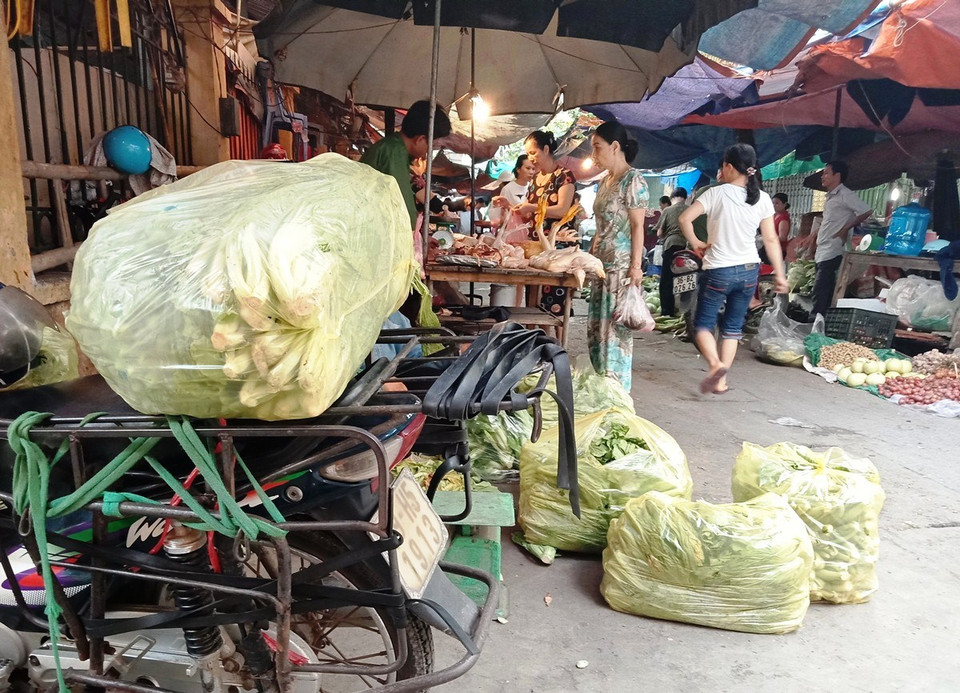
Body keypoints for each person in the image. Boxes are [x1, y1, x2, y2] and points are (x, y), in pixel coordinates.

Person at [678, 143, 788, 395]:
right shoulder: (761, 198)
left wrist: (695, 243)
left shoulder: (715, 193)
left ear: (728, 166)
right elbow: (771, 239)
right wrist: (780, 274)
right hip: (750, 270)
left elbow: (685, 219)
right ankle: (721, 381)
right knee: (732, 328)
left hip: (719, 269)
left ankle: (716, 365)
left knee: (703, 325)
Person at [586, 120, 649, 391]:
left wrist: (636, 268)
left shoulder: (634, 180)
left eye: (597, 148)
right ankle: (601, 385)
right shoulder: (604, 182)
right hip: (600, 267)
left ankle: (616, 392)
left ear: (615, 146)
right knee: (596, 331)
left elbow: (637, 226)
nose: (594, 155)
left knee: (614, 334)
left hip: (621, 269)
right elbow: (601, 225)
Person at [360, 100, 451, 230]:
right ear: (420, 139)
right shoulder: (394, 152)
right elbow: (402, 206)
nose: (428, 152)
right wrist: (415, 237)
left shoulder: (396, 149)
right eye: (431, 145)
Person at [515, 130, 577, 318]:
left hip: (558, 246)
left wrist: (531, 207)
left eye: (533, 153)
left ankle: (555, 345)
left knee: (554, 305)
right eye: (528, 154)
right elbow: (532, 216)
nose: (531, 158)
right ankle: (535, 340)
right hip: (536, 247)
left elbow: (562, 210)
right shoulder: (534, 179)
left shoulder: (564, 176)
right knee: (533, 301)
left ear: (547, 149)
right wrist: (516, 209)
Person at [812, 161, 873, 317]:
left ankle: (816, 320)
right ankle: (820, 319)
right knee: (822, 288)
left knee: (821, 289)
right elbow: (828, 221)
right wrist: (812, 237)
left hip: (833, 248)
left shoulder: (845, 194)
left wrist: (846, 228)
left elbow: (866, 211)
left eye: (826, 173)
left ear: (837, 175)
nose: (822, 177)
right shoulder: (831, 197)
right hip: (822, 247)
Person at [655, 187, 689, 317]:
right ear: (685, 198)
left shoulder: (668, 210)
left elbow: (660, 233)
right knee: (686, 280)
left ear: (672, 198)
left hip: (671, 246)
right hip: (687, 248)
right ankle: (685, 311)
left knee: (667, 281)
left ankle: (667, 311)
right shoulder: (691, 209)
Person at [487, 154, 535, 226]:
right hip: (514, 230)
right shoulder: (508, 189)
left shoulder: (533, 187)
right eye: (528, 168)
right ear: (518, 169)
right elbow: (502, 213)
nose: (531, 172)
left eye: (533, 169)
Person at [772, 193, 792, 259]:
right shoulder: (775, 215)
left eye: (777, 203)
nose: (774, 205)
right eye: (773, 203)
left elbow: (782, 237)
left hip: (778, 250)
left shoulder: (784, 218)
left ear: (784, 204)